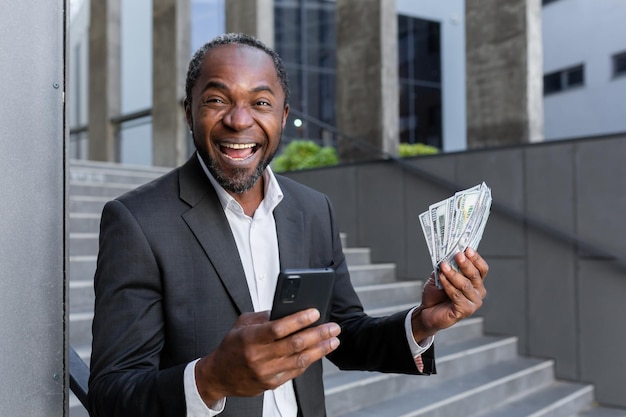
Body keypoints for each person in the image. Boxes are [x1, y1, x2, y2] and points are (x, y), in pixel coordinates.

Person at [87, 33, 489, 417]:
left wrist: (421, 322)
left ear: (283, 116)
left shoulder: (314, 210)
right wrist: (210, 378)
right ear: (189, 113)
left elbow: (343, 334)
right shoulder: (137, 221)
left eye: (260, 103)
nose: (239, 120)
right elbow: (111, 396)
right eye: (216, 99)